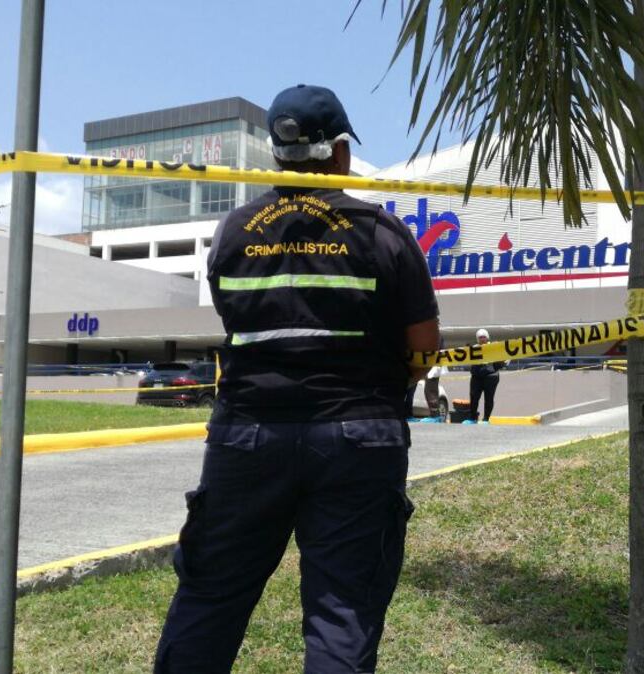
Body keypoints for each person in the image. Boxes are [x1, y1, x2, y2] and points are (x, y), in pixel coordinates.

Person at [154, 84, 440, 674]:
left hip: (247, 437)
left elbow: (238, 322)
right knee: (343, 612)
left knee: (210, 597)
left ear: (277, 155)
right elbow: (424, 348)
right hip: (358, 438)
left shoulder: (233, 233)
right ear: (341, 152)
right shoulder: (383, 233)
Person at [465, 328, 504, 423]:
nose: (482, 339)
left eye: (483, 337)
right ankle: (472, 418)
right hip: (476, 377)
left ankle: (486, 418)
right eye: (480, 337)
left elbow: (502, 359)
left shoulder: (494, 347)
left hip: (491, 377)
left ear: (487, 338)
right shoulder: (473, 348)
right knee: (474, 397)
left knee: (489, 398)